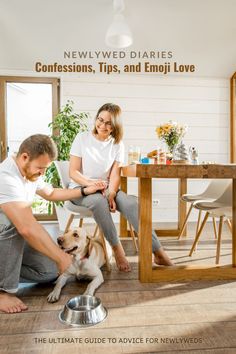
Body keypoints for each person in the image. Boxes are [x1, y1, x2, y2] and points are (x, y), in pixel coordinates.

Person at [0, 134, 105, 314]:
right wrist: (62, 257)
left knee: (49, 271)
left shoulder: (29, 172)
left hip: (7, 242)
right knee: (16, 223)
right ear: (24, 157)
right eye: (40, 168)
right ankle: (4, 291)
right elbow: (26, 227)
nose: (42, 173)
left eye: (45, 169)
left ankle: (4, 274)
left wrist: (84, 190)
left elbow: (51, 193)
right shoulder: (7, 176)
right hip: (6, 232)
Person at [69, 103, 173, 272]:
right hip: (81, 188)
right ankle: (117, 250)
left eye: (108, 123)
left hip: (105, 188)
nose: (102, 126)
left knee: (132, 204)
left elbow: (115, 174)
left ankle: (158, 252)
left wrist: (111, 194)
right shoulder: (82, 138)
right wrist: (91, 185)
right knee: (98, 202)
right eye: (100, 120)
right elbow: (73, 172)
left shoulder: (117, 144)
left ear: (115, 126)